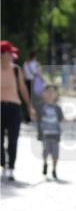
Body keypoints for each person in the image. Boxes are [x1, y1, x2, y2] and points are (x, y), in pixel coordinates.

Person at [1, 41, 36, 181]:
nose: (12, 56)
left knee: (13, 140)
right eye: (10, 53)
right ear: (2, 54)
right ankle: (3, 163)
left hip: (14, 108)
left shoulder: (16, 69)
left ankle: (11, 168)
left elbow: (22, 88)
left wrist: (29, 106)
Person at [37, 84, 64, 179]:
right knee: (45, 152)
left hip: (55, 134)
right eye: (48, 92)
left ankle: (54, 169)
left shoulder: (58, 108)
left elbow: (61, 119)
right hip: (45, 134)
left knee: (55, 154)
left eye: (52, 92)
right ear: (44, 94)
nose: (50, 94)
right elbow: (37, 119)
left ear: (56, 94)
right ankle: (45, 163)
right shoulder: (41, 107)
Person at [22, 51, 40, 122]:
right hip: (34, 82)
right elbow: (38, 74)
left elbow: (23, 75)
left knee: (28, 100)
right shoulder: (36, 64)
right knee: (35, 100)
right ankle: (35, 116)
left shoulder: (25, 64)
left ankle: (27, 117)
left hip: (27, 82)